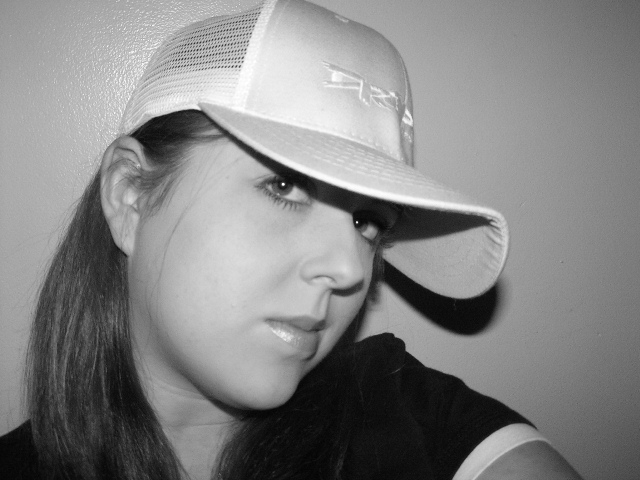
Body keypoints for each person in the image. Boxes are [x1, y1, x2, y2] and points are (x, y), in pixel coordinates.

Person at [0, 0, 583, 479]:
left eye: (368, 222)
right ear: (130, 195)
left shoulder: (410, 416)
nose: (351, 268)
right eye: (283, 186)